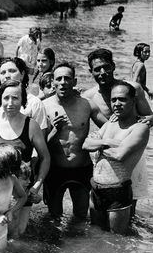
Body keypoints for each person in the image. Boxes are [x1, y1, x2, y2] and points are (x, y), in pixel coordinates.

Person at [0, 80, 50, 237]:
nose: (10, 103)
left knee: (16, 235)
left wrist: (37, 186)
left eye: (15, 98)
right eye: (6, 98)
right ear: (0, 99)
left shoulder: (31, 125)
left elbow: (45, 157)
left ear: (23, 100)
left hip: (21, 192)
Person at [83, 48, 153, 214]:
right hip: (106, 152)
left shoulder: (133, 88)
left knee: (129, 205)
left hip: (131, 150)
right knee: (101, 207)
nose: (102, 72)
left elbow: (150, 116)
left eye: (106, 67)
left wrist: (139, 123)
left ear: (113, 66)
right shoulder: (89, 96)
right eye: (97, 69)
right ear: (90, 72)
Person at [83, 81, 150, 234]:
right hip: (96, 188)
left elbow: (120, 155)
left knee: (117, 240)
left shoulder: (140, 127)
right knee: (96, 234)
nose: (117, 104)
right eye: (113, 100)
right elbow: (85, 145)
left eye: (122, 99)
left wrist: (97, 143)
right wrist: (107, 142)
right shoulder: (110, 124)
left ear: (133, 101)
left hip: (117, 190)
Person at [43, 62, 98, 218]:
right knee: (54, 216)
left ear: (74, 82)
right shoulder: (44, 106)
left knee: (81, 216)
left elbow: (110, 126)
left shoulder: (86, 105)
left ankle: (79, 243)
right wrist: (55, 130)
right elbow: (40, 145)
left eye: (67, 78)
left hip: (81, 167)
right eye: (58, 78)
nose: (63, 82)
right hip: (54, 168)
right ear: (52, 82)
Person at [0, 57, 48, 132]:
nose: (7, 76)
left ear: (22, 74)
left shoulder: (34, 103)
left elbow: (41, 137)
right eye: (3, 72)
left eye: (12, 71)